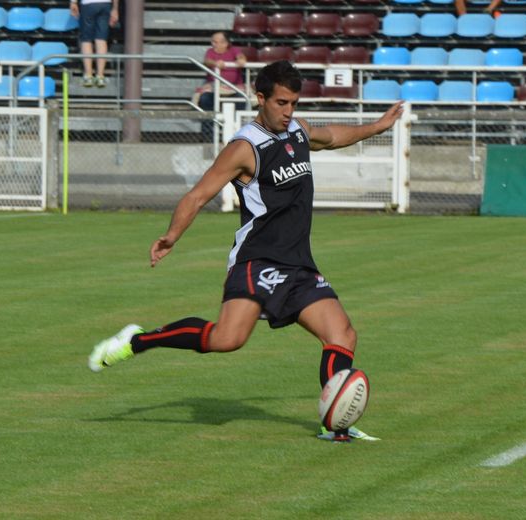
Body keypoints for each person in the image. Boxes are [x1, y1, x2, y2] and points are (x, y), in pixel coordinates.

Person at [89, 61, 403, 443]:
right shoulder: (244, 147)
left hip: (299, 264)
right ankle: (137, 341)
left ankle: (333, 425)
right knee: (227, 339)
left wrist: (377, 127)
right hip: (257, 261)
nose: (289, 111)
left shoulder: (297, 131)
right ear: (261, 98)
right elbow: (198, 195)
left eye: (294, 103)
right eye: (282, 102)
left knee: (342, 335)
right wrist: (172, 235)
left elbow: (331, 136)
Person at [70, 0, 119, 88]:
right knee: (101, 39)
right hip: (105, 3)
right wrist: (115, 9)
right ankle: (100, 75)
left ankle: (88, 75)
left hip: (88, 4)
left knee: (86, 40)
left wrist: (73, 2)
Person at [195, 31, 247, 112]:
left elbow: (240, 56)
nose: (213, 44)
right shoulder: (210, 51)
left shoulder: (234, 50)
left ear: (225, 43)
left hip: (233, 87)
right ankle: (210, 123)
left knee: (241, 98)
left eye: (216, 42)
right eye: (213, 42)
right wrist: (215, 63)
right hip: (214, 87)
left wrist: (241, 59)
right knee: (204, 98)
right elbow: (207, 61)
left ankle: (237, 124)